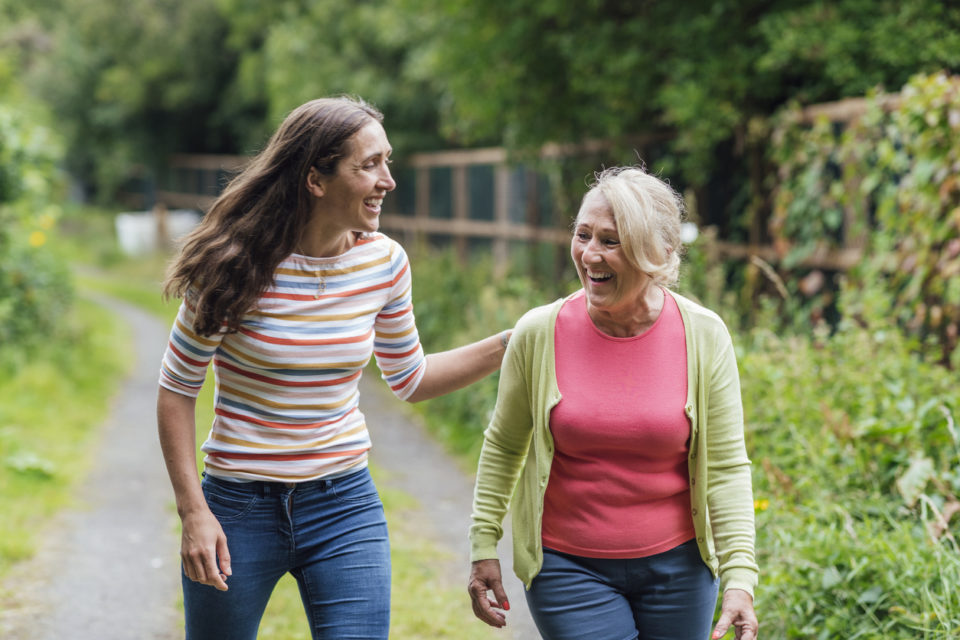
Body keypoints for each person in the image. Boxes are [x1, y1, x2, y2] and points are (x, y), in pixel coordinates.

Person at [156, 96, 511, 640]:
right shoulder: (233, 267)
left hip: (344, 505)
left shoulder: (383, 263)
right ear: (315, 180)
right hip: (238, 508)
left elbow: (410, 378)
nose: (387, 180)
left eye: (386, 161)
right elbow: (177, 390)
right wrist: (194, 513)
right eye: (368, 165)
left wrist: (514, 341)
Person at [467, 166, 759, 640]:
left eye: (611, 241)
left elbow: (726, 466)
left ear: (658, 253)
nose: (589, 254)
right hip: (567, 569)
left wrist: (740, 577)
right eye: (583, 235)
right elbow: (503, 445)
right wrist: (484, 543)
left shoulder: (704, 335)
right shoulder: (539, 333)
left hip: (680, 571)